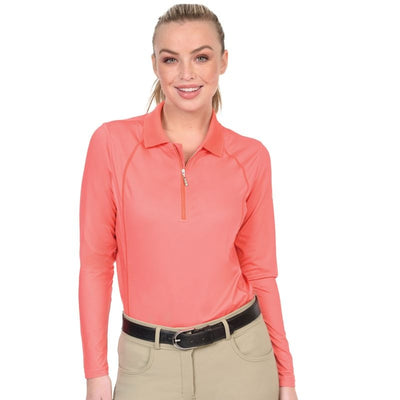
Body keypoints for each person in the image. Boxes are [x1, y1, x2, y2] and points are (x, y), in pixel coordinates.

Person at [79, 4, 298, 400]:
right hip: (146, 365)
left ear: (223, 61)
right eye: (170, 59)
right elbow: (96, 264)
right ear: (154, 65)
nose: (186, 73)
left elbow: (261, 272)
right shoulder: (112, 144)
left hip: (241, 362)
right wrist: (96, 374)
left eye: (201, 57)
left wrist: (286, 377)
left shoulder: (251, 157)